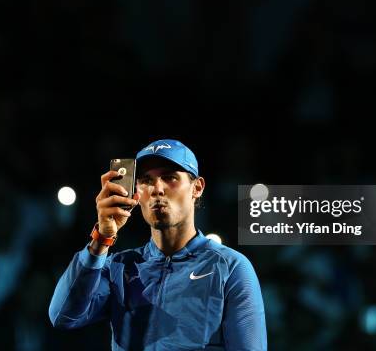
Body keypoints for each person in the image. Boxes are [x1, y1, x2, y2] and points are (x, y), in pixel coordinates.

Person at [48, 139, 267, 350]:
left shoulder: (230, 267)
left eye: (169, 177)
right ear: (137, 193)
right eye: (146, 180)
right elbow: (62, 316)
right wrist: (101, 240)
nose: (157, 189)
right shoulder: (118, 267)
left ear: (197, 187)